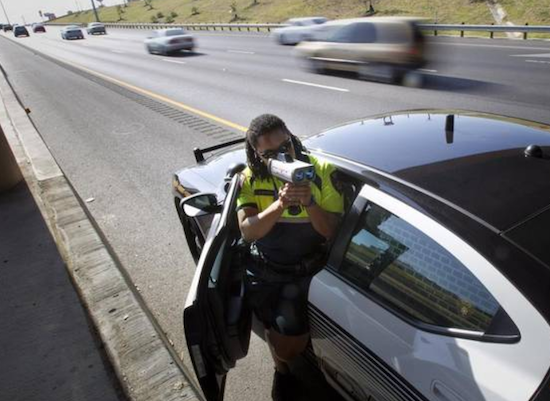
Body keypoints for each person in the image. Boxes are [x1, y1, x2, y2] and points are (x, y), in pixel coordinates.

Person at [236, 114, 344, 400]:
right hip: (267, 271)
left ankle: (285, 362)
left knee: (288, 346)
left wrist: (309, 202)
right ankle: (281, 371)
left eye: (285, 147)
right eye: (269, 153)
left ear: (293, 139)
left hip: (306, 273)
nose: (282, 156)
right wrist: (280, 204)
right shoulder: (249, 178)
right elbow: (247, 231)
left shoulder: (319, 171)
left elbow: (331, 231)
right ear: (257, 155)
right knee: (270, 327)